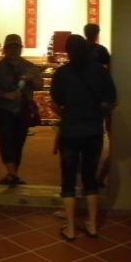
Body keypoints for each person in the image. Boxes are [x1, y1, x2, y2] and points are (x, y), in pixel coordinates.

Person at [50, 34, 117, 240]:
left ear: (68, 52)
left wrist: (67, 115)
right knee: (90, 178)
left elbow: (56, 102)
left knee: (68, 179)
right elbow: (112, 101)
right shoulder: (100, 71)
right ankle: (93, 226)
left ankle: (70, 228)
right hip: (93, 131)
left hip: (70, 132)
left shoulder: (62, 73)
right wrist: (98, 113)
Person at [0, 34, 43, 186]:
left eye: (16, 47)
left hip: (22, 110)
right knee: (5, 139)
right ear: (5, 49)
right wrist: (5, 95)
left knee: (18, 142)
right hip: (2, 109)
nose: (13, 50)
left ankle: (12, 174)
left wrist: (31, 79)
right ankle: (12, 173)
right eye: (10, 47)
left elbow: (40, 85)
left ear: (21, 48)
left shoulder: (30, 67)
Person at [83, 23, 112, 187]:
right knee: (95, 135)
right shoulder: (101, 50)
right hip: (98, 98)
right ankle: (94, 176)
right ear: (97, 34)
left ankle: (86, 173)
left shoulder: (80, 50)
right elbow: (111, 69)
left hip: (82, 98)